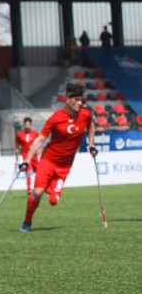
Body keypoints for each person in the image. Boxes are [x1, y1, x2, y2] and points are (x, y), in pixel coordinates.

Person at [18, 83, 95, 233]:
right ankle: (27, 221)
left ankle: (49, 191)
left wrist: (91, 145)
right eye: (78, 100)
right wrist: (26, 161)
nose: (81, 103)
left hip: (64, 166)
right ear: (68, 100)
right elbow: (40, 140)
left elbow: (91, 127)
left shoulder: (85, 114)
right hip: (48, 160)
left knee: (53, 201)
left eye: (82, 100)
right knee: (38, 193)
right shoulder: (56, 118)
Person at [15, 117, 41, 195]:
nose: (27, 126)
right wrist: (17, 159)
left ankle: (40, 187)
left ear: (31, 125)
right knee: (29, 172)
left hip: (34, 155)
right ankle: (29, 190)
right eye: (26, 125)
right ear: (24, 125)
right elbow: (17, 147)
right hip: (26, 156)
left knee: (39, 172)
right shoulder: (19, 135)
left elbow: (39, 144)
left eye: (29, 125)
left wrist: (40, 154)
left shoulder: (35, 133)